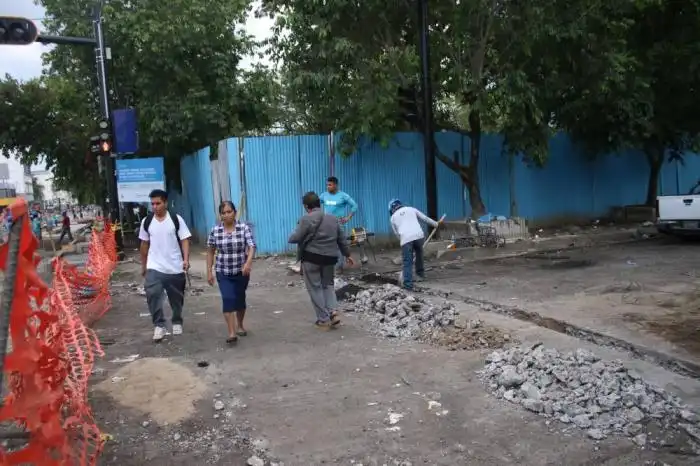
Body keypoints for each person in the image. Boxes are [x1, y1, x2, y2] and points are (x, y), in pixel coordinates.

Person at [289, 191, 354, 330]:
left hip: (311, 258)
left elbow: (294, 238)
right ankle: (333, 312)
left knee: (315, 287)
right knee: (328, 285)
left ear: (307, 206)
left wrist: (296, 229)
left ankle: (323, 319)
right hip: (330, 258)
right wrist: (347, 254)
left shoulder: (306, 219)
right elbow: (342, 239)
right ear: (319, 203)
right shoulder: (332, 219)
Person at [138, 189, 192, 342]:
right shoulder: (146, 222)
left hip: (175, 266)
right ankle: (159, 325)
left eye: (158, 203)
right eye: (153, 204)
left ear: (165, 203)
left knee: (176, 297)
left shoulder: (176, 219)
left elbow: (185, 240)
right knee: (153, 293)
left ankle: (176, 320)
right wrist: (144, 266)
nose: (155, 207)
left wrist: (186, 259)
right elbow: (144, 244)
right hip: (154, 265)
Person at [206, 201, 256, 344]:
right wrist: (209, 271)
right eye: (224, 213)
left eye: (229, 212)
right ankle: (231, 332)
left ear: (234, 212)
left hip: (241, 271)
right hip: (223, 271)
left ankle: (240, 325)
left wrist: (248, 263)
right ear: (220, 215)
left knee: (240, 300)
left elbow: (252, 246)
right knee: (228, 299)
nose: (227, 215)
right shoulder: (215, 230)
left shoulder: (243, 228)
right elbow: (210, 251)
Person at [388, 199, 441, 290]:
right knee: (419, 255)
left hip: (406, 239)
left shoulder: (393, 218)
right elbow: (425, 218)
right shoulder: (411, 209)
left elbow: (396, 233)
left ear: (392, 209)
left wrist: (402, 241)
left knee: (407, 261)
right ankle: (420, 275)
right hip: (419, 235)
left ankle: (408, 284)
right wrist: (435, 224)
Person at [319, 176, 368, 270]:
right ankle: (328, 265)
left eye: (330, 185)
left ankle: (338, 267)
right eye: (327, 185)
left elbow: (354, 206)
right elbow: (316, 203)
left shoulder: (343, 196)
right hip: (326, 223)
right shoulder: (324, 195)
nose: (328, 187)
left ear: (336, 185)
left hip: (338, 223)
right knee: (327, 244)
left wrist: (348, 217)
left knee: (339, 245)